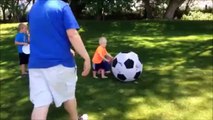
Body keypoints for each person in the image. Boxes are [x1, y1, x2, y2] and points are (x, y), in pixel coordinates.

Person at [28, 0, 91, 120]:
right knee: (68, 96)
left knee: (40, 104)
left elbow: (40, 35)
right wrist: (86, 57)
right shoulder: (62, 7)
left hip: (36, 65)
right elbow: (72, 34)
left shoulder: (33, 9)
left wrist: (66, 48)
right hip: (60, 64)